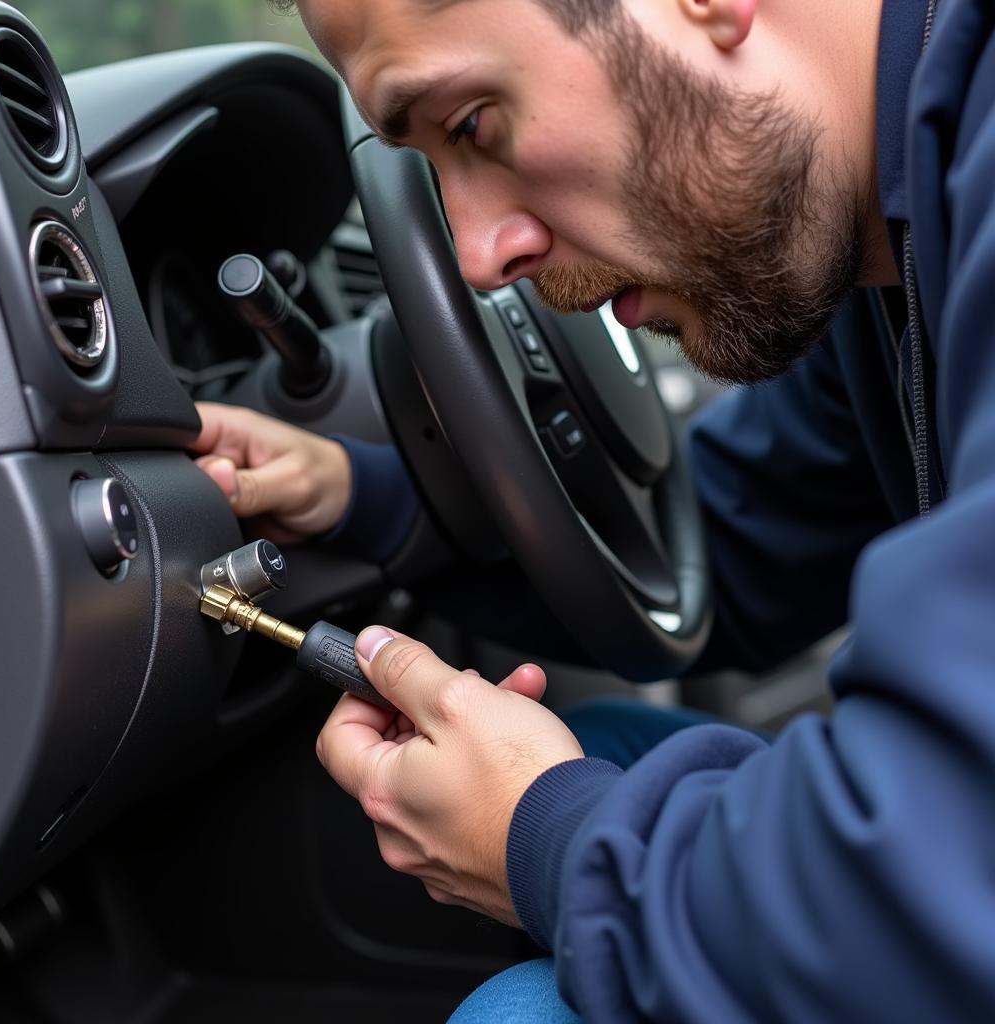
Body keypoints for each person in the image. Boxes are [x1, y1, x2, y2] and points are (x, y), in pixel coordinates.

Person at [190, 0, 995, 1019]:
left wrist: (544, 835)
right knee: (608, 741)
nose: (481, 256)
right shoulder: (893, 229)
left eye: (474, 124)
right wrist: (375, 499)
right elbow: (738, 541)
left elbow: (942, 871)